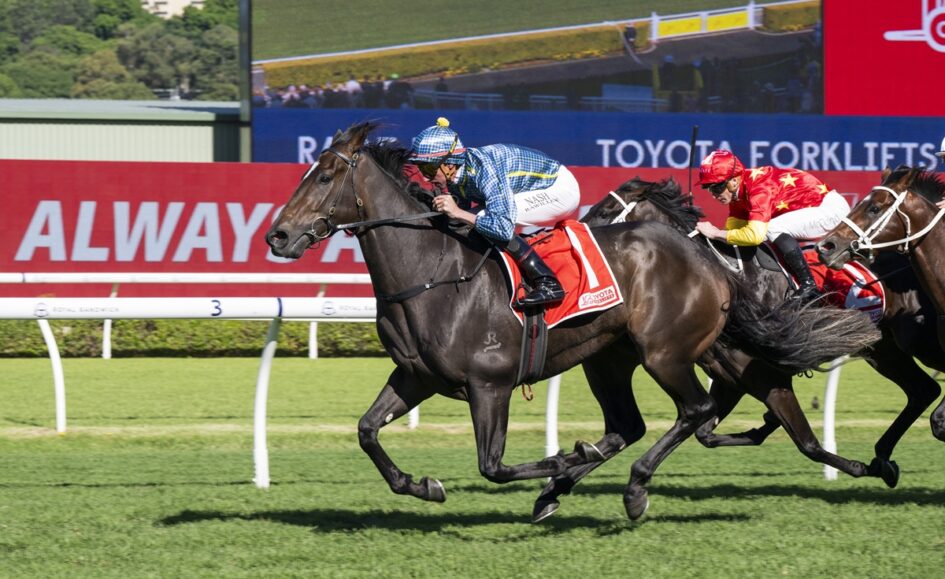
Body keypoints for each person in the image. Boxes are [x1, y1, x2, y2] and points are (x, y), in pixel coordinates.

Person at [408, 117, 580, 307]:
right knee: (470, 220)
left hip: (559, 189)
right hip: (531, 186)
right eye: (421, 168)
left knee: (487, 219)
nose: (425, 176)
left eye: (429, 168)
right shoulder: (458, 175)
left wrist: (458, 212)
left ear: (449, 164)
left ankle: (548, 282)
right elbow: (460, 219)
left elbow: (503, 228)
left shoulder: (485, 170)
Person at [694, 149, 850, 301]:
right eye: (709, 189)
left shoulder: (759, 189)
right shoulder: (738, 195)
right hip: (814, 208)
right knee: (761, 232)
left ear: (734, 181)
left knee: (771, 228)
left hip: (831, 210)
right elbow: (733, 233)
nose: (714, 194)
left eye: (717, 187)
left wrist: (715, 233)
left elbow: (754, 236)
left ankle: (809, 286)